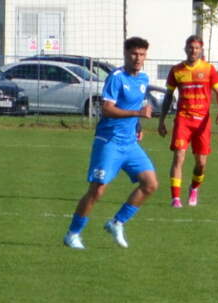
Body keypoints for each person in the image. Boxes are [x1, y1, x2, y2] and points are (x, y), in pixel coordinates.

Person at [62, 36, 157, 250]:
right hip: (110, 142)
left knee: (150, 184)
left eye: (142, 54)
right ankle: (72, 234)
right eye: (134, 53)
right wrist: (137, 114)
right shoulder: (116, 77)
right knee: (97, 190)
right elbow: (106, 109)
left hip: (130, 143)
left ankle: (117, 222)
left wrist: (137, 126)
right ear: (125, 54)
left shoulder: (143, 78)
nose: (138, 58)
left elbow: (135, 105)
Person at [158, 35, 218, 208]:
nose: (193, 50)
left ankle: (194, 188)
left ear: (201, 50)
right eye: (190, 47)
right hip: (183, 119)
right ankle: (175, 198)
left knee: (201, 163)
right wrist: (162, 120)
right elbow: (168, 96)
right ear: (185, 49)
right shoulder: (177, 70)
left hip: (202, 122)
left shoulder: (208, 69)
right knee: (179, 156)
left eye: (196, 48)